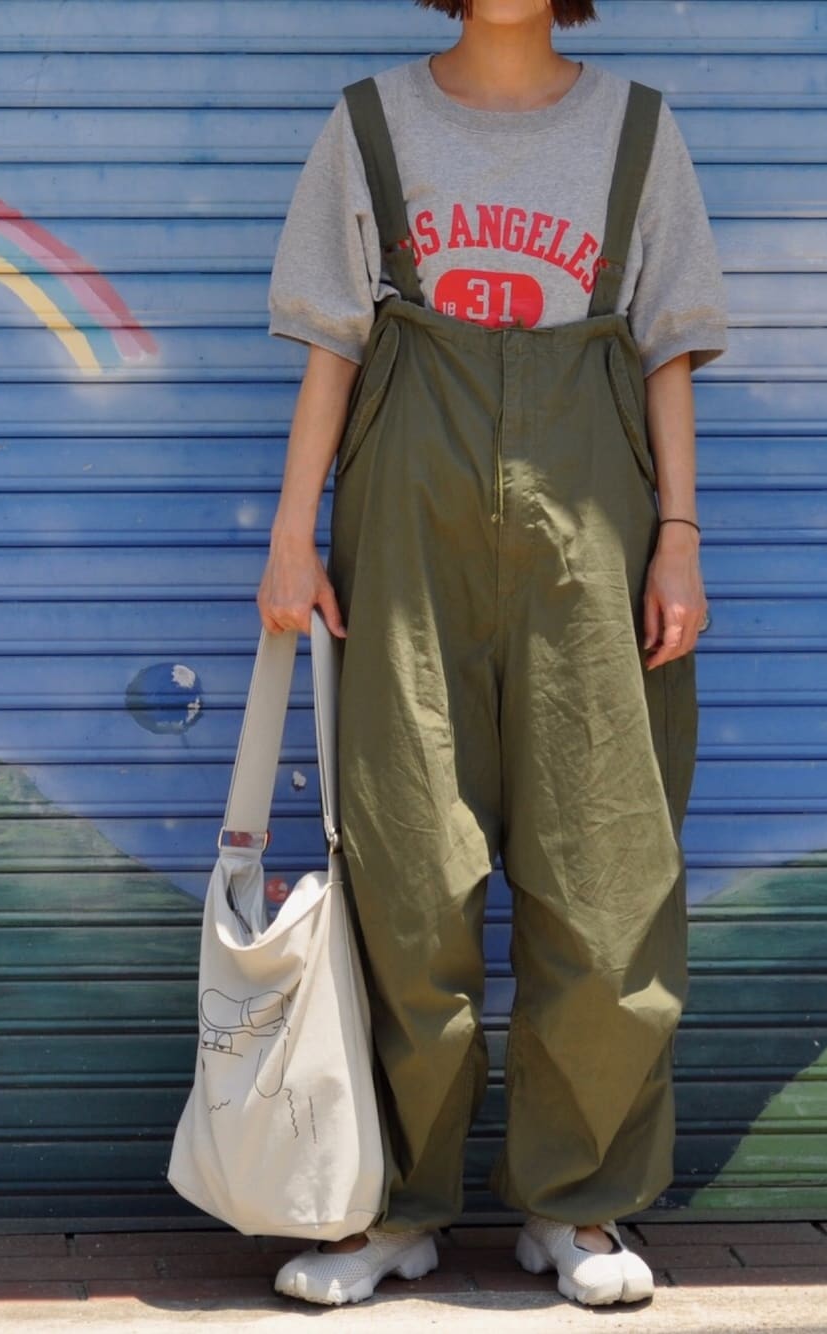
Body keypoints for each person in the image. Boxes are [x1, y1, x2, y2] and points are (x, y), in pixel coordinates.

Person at [258, 0, 727, 1309]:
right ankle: (390, 1207)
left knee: (605, 869)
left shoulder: (638, 131)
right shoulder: (371, 124)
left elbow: (669, 348)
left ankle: (576, 1207)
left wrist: (679, 536)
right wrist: (292, 534)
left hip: (597, 524)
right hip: (407, 521)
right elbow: (332, 343)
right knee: (407, 868)